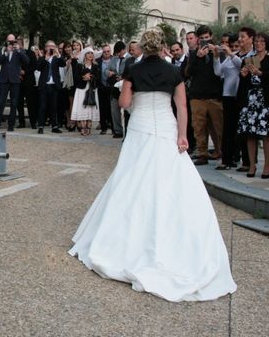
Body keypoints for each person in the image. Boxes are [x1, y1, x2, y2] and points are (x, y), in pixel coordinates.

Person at [69, 28, 237, 302]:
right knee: (170, 180)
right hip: (167, 128)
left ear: (143, 49)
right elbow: (182, 107)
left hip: (141, 128)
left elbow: (125, 102)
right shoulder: (174, 73)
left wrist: (130, 97)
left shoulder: (133, 70)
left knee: (131, 179)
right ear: (161, 48)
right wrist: (183, 136)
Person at [186, 25, 223, 166]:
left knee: (218, 127)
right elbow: (188, 73)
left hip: (214, 95)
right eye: (201, 39)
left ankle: (221, 151)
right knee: (198, 126)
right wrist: (198, 57)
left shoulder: (218, 51)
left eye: (206, 38)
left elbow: (220, 72)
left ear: (211, 37)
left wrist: (215, 54)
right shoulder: (195, 54)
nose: (204, 41)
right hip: (198, 95)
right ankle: (202, 153)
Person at [237, 32, 269, 179]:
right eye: (256, 41)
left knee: (265, 135)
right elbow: (243, 82)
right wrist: (243, 74)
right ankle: (252, 164)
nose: (259, 43)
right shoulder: (249, 59)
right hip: (250, 100)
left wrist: (261, 73)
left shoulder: (268, 59)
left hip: (264, 100)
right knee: (250, 134)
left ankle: (267, 165)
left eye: (262, 41)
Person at [212, 33, 242, 170]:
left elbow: (241, 66)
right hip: (227, 95)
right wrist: (216, 57)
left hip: (238, 95)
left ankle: (235, 156)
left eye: (237, 46)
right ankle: (227, 158)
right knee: (228, 128)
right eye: (232, 46)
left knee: (236, 129)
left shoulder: (239, 57)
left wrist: (231, 54)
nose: (234, 48)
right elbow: (218, 72)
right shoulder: (229, 59)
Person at [0, 34, 29, 131]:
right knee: (1, 102)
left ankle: (11, 125)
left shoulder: (19, 51)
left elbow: (26, 61)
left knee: (14, 103)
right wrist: (6, 53)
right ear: (6, 41)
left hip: (15, 80)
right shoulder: (2, 50)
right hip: (4, 79)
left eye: (13, 41)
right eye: (9, 41)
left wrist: (18, 50)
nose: (11, 43)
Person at [36, 40, 64, 134]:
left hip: (54, 85)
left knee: (54, 107)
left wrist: (58, 54)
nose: (50, 48)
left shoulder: (57, 57)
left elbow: (63, 64)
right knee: (42, 106)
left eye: (52, 46)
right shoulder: (42, 57)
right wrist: (46, 59)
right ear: (45, 47)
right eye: (49, 46)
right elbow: (38, 68)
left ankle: (54, 126)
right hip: (44, 85)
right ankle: (41, 126)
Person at [70, 48, 100, 136]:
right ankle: (83, 128)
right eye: (88, 53)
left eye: (92, 53)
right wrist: (84, 78)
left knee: (90, 107)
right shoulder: (80, 65)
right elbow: (76, 78)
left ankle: (89, 127)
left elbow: (98, 77)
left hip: (92, 89)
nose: (90, 55)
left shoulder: (95, 65)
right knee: (82, 107)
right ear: (85, 55)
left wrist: (90, 78)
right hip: (81, 89)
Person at [107, 41, 127, 138]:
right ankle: (118, 130)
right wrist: (110, 73)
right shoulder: (114, 58)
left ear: (124, 49)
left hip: (125, 86)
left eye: (119, 52)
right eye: (117, 52)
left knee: (127, 109)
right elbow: (107, 69)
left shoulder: (130, 59)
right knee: (114, 108)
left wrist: (123, 77)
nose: (118, 54)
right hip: (114, 86)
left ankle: (127, 130)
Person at [96, 44, 114, 135]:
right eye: (104, 51)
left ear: (110, 52)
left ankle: (113, 127)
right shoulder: (97, 61)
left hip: (112, 87)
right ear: (102, 52)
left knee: (112, 108)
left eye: (108, 51)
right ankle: (103, 127)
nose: (106, 53)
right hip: (101, 87)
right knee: (102, 108)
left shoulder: (115, 60)